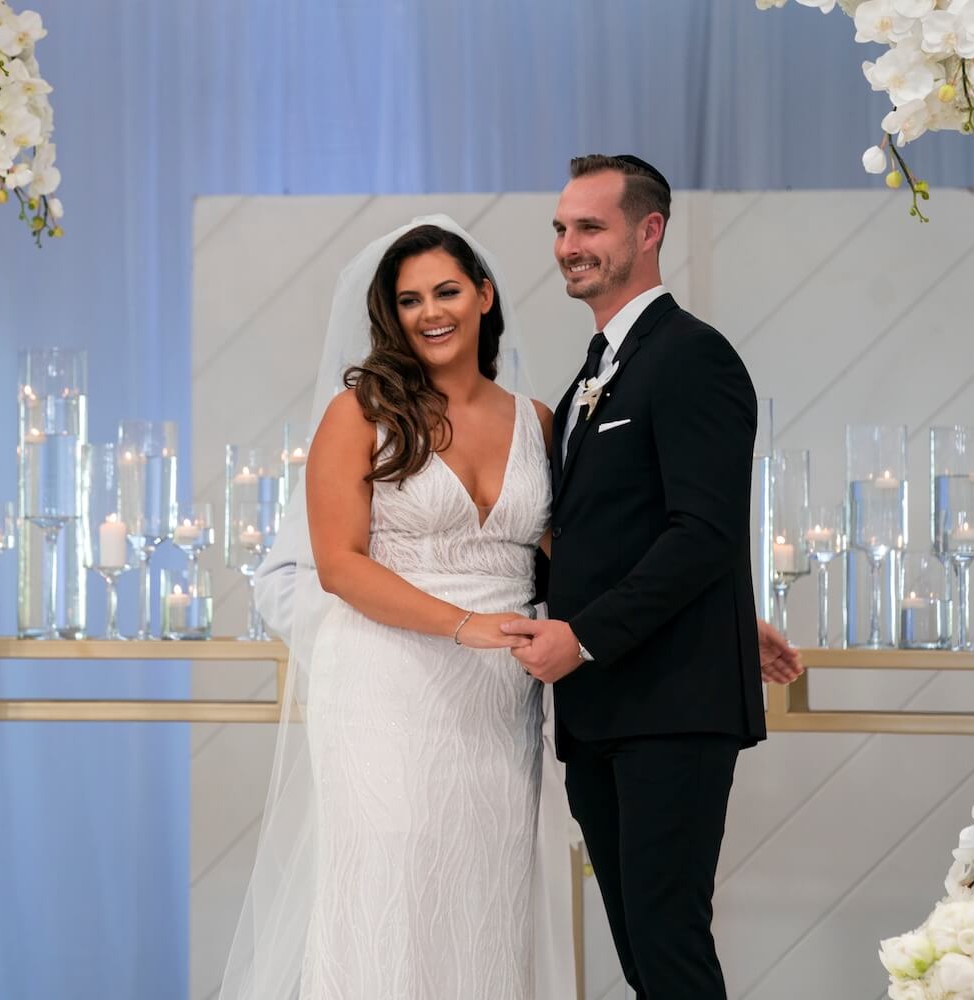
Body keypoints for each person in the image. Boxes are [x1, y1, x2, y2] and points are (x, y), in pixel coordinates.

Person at [222, 217, 571, 1000]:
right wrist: (463, 623)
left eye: (446, 290)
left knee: (487, 889)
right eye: (409, 300)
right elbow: (340, 567)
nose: (429, 312)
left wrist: (705, 616)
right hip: (385, 683)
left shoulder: (538, 421)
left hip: (498, 698)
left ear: (483, 295)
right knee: (390, 880)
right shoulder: (360, 415)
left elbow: (575, 557)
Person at [502, 154, 805, 1000]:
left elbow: (702, 532)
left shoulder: (693, 357)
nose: (569, 245)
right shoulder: (594, 371)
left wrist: (587, 633)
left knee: (669, 944)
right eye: (561, 229)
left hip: (670, 706)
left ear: (650, 230)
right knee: (641, 950)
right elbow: (611, 531)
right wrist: (725, 616)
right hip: (603, 706)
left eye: (589, 227)